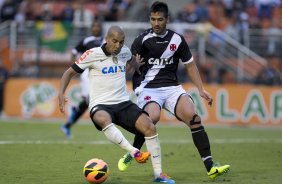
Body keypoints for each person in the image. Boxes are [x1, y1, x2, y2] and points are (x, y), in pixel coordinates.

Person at [117, 1, 230, 181]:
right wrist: (132, 65)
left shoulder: (177, 40)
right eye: (153, 19)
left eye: (160, 19)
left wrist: (201, 90)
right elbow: (129, 65)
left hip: (172, 88)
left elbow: (191, 65)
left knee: (194, 118)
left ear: (167, 19)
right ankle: (133, 152)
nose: (156, 23)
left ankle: (210, 167)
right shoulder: (141, 40)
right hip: (149, 88)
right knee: (151, 118)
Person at [58, 25, 175, 184]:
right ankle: (134, 152)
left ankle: (158, 175)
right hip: (100, 104)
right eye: (114, 41)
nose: (118, 45)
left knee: (150, 127)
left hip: (123, 103)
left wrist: (136, 64)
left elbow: (131, 61)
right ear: (106, 39)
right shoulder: (92, 54)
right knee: (102, 118)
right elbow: (69, 73)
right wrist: (61, 93)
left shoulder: (125, 51)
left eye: (121, 42)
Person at [61, 21, 104, 138]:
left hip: (100, 73)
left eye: (98, 26)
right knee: (90, 99)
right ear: (91, 28)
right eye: (94, 26)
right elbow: (74, 52)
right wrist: (75, 67)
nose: (96, 28)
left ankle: (71, 118)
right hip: (86, 72)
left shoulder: (105, 41)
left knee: (88, 103)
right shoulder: (86, 40)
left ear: (100, 28)